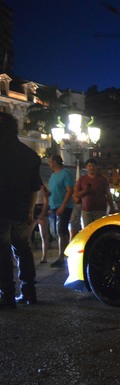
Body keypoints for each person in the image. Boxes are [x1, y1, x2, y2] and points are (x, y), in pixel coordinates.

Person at [0, 112, 42, 308]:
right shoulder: (30, 155)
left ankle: (6, 295)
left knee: (2, 253)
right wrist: (30, 210)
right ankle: (29, 293)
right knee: (22, 250)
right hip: (20, 210)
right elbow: (35, 187)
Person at [48, 154, 75, 268]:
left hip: (64, 207)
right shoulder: (53, 175)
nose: (49, 164)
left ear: (55, 162)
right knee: (57, 232)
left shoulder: (65, 174)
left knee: (62, 232)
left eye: (50, 161)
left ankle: (62, 256)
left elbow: (70, 190)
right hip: (55, 207)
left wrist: (63, 206)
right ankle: (63, 255)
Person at [74, 158, 115, 228]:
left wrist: (112, 207)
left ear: (96, 167)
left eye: (93, 166)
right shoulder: (82, 179)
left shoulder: (102, 179)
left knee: (100, 230)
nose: (91, 168)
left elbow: (108, 194)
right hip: (86, 211)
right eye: (89, 166)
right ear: (86, 167)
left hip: (100, 211)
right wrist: (85, 191)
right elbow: (76, 194)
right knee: (88, 231)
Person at [30, 185, 50, 264]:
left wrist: (43, 212)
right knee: (29, 234)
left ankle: (44, 257)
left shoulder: (42, 187)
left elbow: (45, 199)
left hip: (39, 207)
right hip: (34, 207)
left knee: (44, 235)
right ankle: (30, 256)